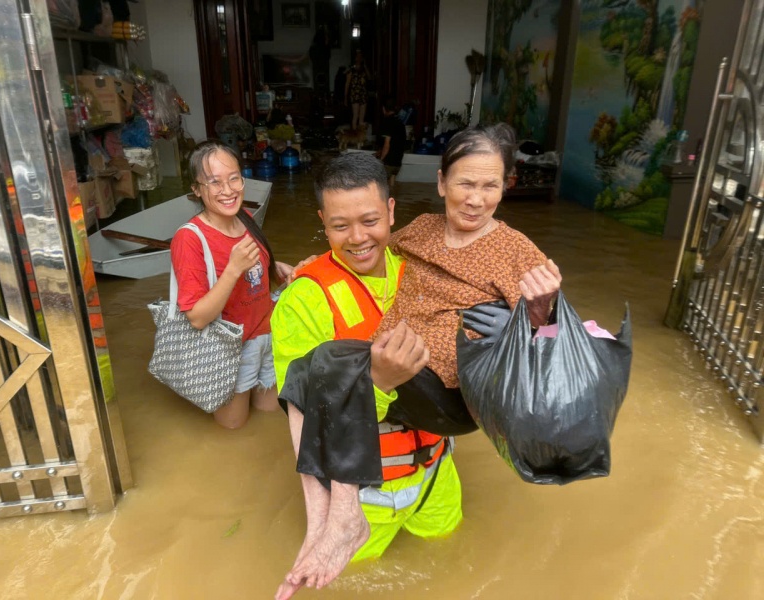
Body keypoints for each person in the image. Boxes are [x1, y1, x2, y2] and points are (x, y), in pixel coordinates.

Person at [273, 124, 562, 597]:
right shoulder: (303, 299)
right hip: (367, 494)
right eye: (340, 227)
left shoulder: (419, 261)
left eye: (370, 220)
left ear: (391, 211)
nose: (358, 238)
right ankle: (333, 521)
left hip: (434, 473)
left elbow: (536, 346)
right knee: (350, 584)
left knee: (455, 567)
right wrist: (378, 382)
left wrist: (537, 312)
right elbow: (300, 406)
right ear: (323, 222)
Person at [170, 140, 293, 429]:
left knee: (271, 417)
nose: (228, 190)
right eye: (215, 182)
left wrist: (275, 267)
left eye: (234, 178)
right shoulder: (189, 239)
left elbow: (253, 268)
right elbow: (197, 318)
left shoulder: (245, 217)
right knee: (233, 428)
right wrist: (234, 269)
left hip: (268, 334)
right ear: (197, 189)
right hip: (229, 349)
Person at [377, 95, 406, 187]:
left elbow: (387, 145)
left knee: (380, 187)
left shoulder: (387, 122)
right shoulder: (400, 123)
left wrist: (380, 160)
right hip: (397, 163)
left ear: (383, 109)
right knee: (392, 186)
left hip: (388, 162)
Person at [345, 49, 371, 131]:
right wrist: (345, 97)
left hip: (363, 94)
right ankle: (354, 133)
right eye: (357, 56)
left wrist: (365, 66)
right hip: (355, 94)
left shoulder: (364, 69)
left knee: (362, 117)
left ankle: (360, 134)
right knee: (355, 115)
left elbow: (369, 78)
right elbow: (347, 84)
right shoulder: (351, 70)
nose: (359, 58)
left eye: (360, 57)